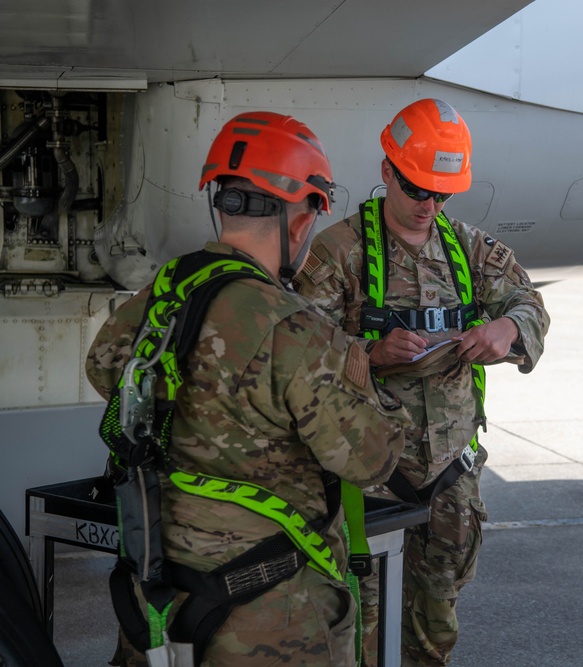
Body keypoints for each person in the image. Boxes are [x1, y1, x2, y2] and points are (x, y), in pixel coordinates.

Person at [86, 111, 408, 666]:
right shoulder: (294, 327)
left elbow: (102, 370)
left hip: (158, 598)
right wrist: (369, 382)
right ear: (303, 221)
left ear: (221, 204)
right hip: (269, 621)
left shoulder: (162, 293)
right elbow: (369, 460)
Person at [295, 97, 550, 666]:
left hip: (450, 481)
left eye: (442, 194)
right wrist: (370, 354)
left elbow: (529, 303)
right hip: (369, 487)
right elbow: (296, 356)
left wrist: (506, 329)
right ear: (387, 171)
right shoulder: (340, 253)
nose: (428, 205)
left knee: (434, 634)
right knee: (360, 635)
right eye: (416, 190)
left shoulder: (467, 247)